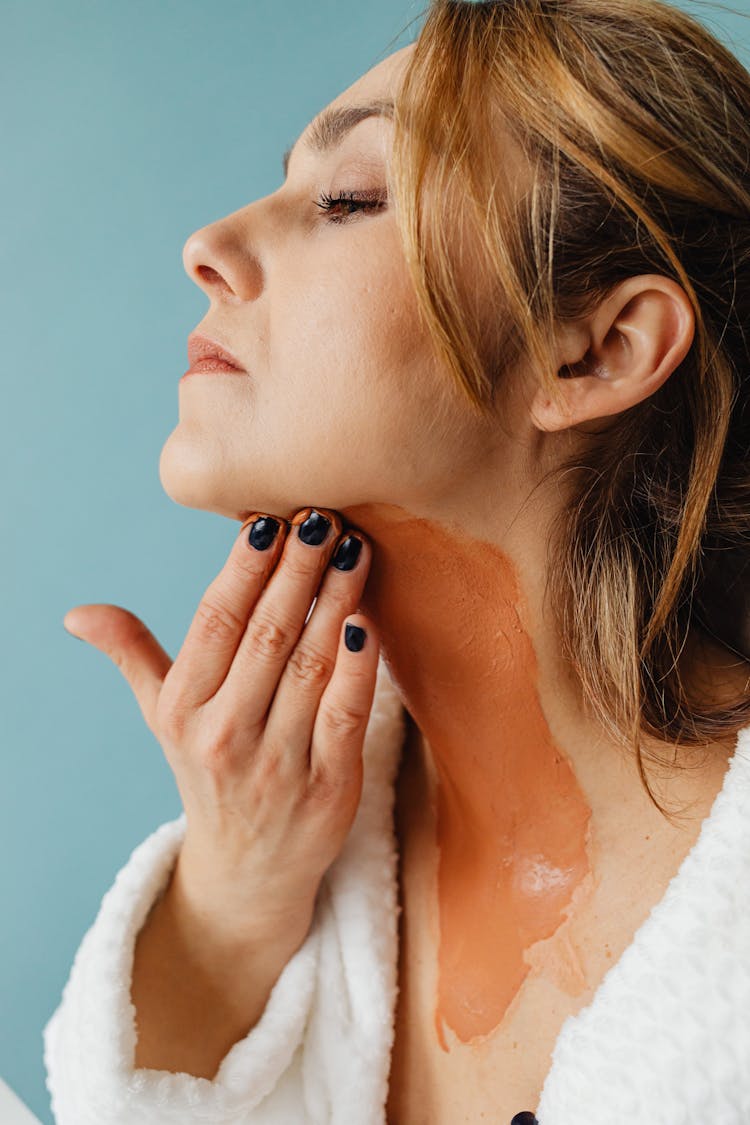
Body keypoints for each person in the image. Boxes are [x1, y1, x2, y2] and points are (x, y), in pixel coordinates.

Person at [43, 0, 750, 1121]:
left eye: (349, 200)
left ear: (599, 350)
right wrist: (228, 910)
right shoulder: (282, 845)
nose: (208, 246)